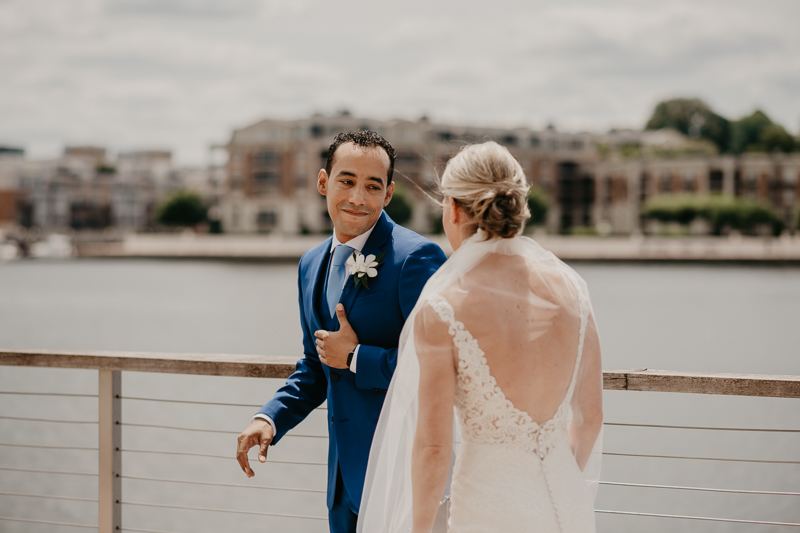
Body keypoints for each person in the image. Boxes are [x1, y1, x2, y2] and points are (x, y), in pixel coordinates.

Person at [358, 141, 604, 533]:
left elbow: (433, 449)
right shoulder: (573, 290)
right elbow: (590, 419)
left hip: (489, 512)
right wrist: (554, 482)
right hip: (566, 505)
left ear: (453, 208)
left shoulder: (444, 306)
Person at [236, 130, 447, 533]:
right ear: (322, 182)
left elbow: (438, 367)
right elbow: (316, 366)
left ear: (388, 195)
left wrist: (354, 358)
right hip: (341, 482)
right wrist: (270, 418)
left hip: (401, 475)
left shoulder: (416, 258)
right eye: (346, 181)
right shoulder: (310, 264)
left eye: (372, 186)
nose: (357, 198)